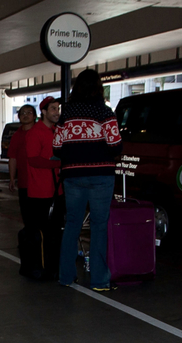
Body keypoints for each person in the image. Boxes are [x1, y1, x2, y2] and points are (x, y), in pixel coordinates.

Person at [54, 70, 123, 291]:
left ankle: (65, 276)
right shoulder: (105, 113)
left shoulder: (66, 115)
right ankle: (100, 280)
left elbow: (57, 147)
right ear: (98, 88)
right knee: (99, 226)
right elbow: (115, 145)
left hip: (73, 175)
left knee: (72, 224)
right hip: (101, 175)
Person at [22, 96, 61, 280]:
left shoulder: (56, 131)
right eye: (53, 109)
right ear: (44, 111)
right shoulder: (35, 133)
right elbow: (33, 159)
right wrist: (58, 164)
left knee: (54, 232)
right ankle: (43, 267)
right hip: (40, 193)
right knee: (45, 233)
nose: (56, 112)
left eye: (58, 109)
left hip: (56, 190)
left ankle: (52, 266)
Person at [8, 104, 36, 229]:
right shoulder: (16, 136)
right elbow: (12, 158)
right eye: (23, 113)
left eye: (29, 112)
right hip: (24, 183)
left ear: (35, 116)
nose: (26, 115)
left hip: (41, 183)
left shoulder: (40, 132)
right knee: (27, 215)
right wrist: (12, 178)